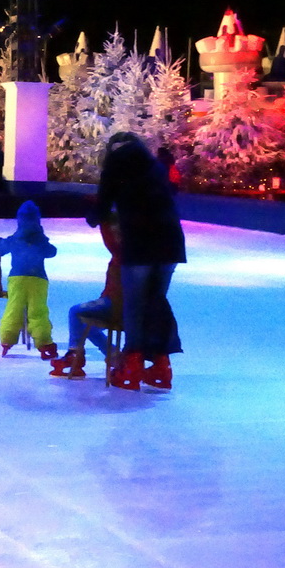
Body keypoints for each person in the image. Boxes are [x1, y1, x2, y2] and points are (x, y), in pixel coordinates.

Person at [88, 131, 186, 390]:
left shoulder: (115, 165)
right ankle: (161, 365)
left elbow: (101, 206)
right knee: (156, 302)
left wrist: (93, 216)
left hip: (140, 243)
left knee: (134, 305)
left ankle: (131, 367)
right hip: (170, 243)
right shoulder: (154, 166)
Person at [50, 213, 122, 378]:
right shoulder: (123, 255)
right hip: (117, 302)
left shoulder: (121, 256)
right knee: (87, 325)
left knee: (75, 312)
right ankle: (112, 354)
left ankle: (75, 354)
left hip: (116, 304)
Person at [0, 200, 58, 359]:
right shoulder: (39, 240)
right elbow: (51, 252)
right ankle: (44, 342)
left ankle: (6, 339)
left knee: (14, 308)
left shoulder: (15, 239)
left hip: (17, 278)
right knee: (38, 311)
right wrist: (43, 239)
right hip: (38, 279)